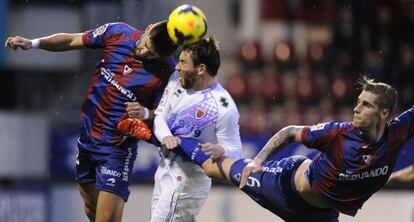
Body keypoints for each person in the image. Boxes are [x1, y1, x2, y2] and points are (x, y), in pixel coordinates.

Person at [166, 76, 414, 221]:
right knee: (212, 170)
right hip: (284, 187)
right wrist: (258, 161)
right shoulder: (338, 134)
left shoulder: (398, 133)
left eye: (366, 105)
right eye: (358, 102)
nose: (356, 109)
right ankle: (172, 134)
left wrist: (392, 178)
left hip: (322, 215)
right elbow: (290, 132)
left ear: (385, 113)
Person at [5, 21, 177, 222]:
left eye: (152, 53)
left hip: (117, 148)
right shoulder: (118, 33)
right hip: (88, 137)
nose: (145, 52)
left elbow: (165, 114)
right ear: (147, 29)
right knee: (91, 211)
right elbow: (71, 40)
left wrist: (146, 112)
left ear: (163, 56)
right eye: (146, 45)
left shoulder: (167, 71)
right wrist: (33, 43)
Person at [150, 36, 242, 222]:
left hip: (187, 182)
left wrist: (222, 149)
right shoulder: (177, 79)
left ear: (201, 69)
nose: (177, 66)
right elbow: (160, 116)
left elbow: (237, 151)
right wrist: (166, 136)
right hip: (164, 168)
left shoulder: (223, 107)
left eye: (183, 62)